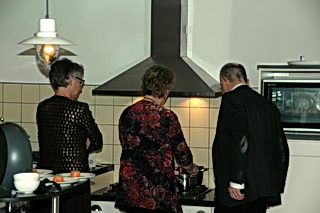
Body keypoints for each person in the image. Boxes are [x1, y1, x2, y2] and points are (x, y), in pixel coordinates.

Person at [115, 64, 198, 213]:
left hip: (131, 191)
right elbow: (181, 152)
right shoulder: (166, 116)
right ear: (165, 90)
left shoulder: (127, 113)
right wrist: (191, 168)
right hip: (157, 192)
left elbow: (126, 144)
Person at [212, 63, 289, 213]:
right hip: (262, 189)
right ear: (245, 80)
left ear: (224, 80)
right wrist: (275, 187)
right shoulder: (268, 105)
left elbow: (241, 141)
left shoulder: (231, 99)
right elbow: (282, 149)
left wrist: (236, 181)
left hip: (239, 191)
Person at [36, 58, 103, 173]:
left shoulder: (42, 107)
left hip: (47, 173)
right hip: (74, 175)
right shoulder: (79, 109)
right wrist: (83, 143)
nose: (81, 88)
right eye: (80, 82)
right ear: (70, 79)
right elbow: (97, 142)